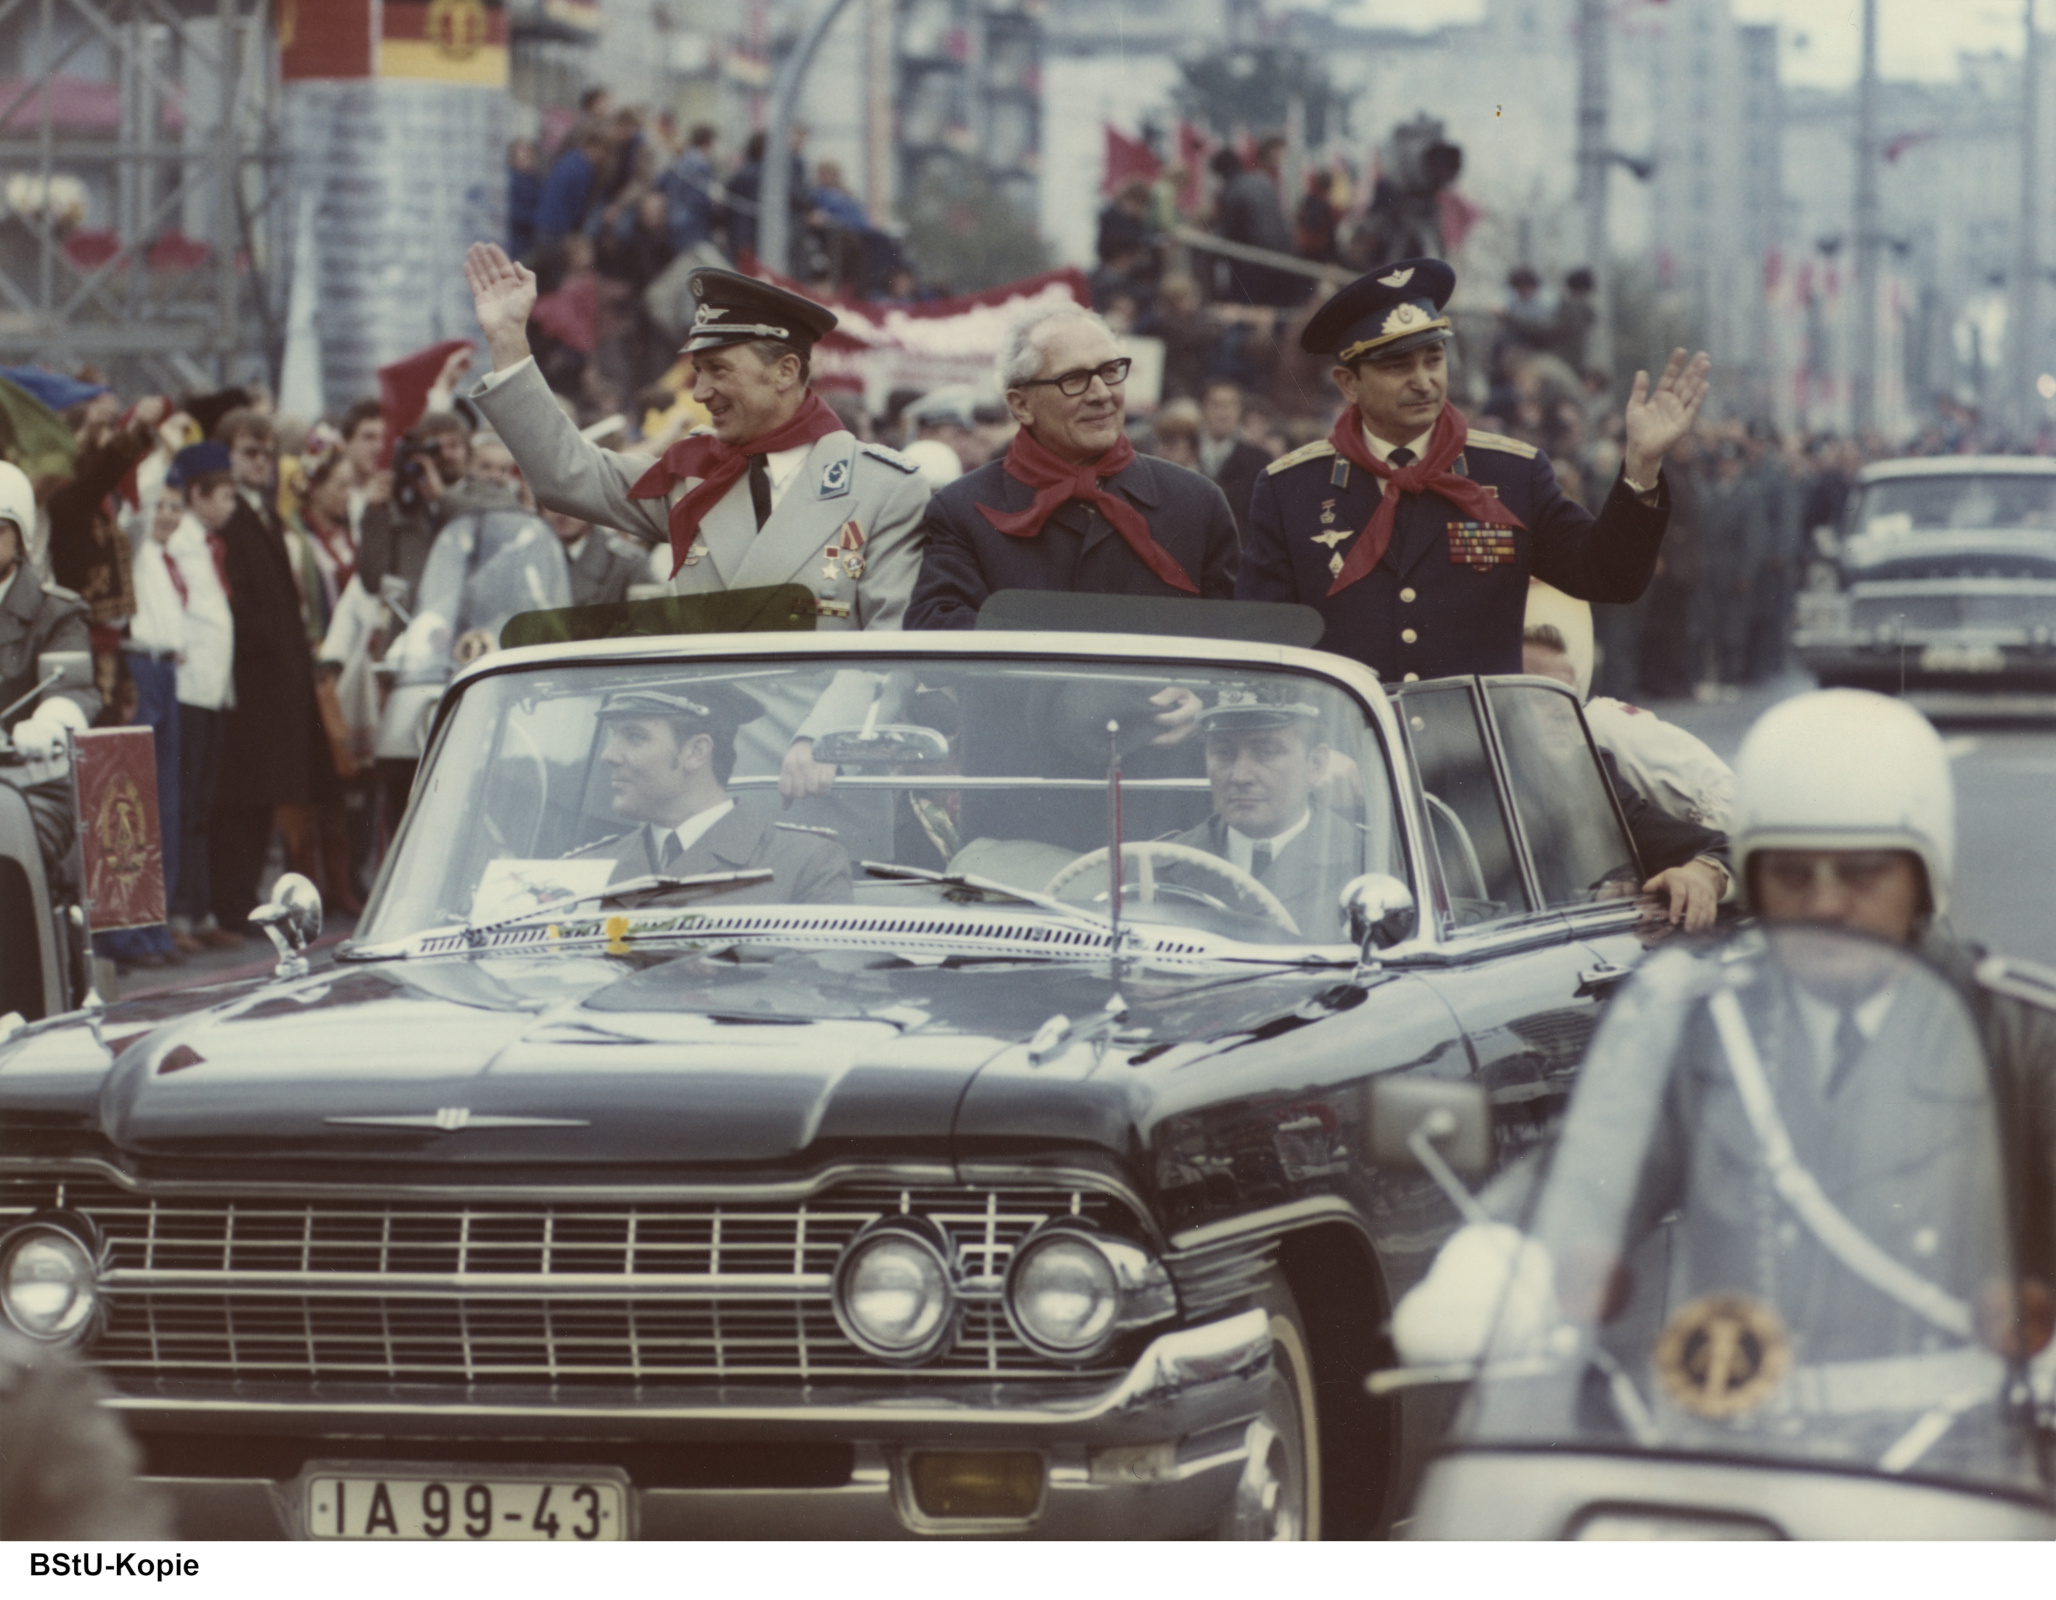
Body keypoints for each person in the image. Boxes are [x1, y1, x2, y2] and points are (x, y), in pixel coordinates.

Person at [1390, 688, 2056, 1369]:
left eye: (1861, 874)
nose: (1823, 902)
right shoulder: (1707, 1034)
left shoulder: (2022, 1038)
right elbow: (1592, 1171)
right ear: (1757, 884)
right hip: (1740, 1445)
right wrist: (1504, 1264)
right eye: (1791, 874)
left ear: (1923, 880)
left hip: (1964, 1450)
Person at [463, 247, 930, 807]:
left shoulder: (884, 487)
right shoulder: (697, 476)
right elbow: (570, 476)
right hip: (692, 793)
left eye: (717, 370)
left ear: (785, 371)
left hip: (811, 784)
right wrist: (510, 340)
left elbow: (891, 644)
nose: (700, 392)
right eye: (698, 371)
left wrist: (820, 740)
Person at [1237, 258, 1709, 685]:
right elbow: (1263, 649)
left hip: (1474, 762)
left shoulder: (1512, 473)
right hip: (1351, 765)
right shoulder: (1290, 489)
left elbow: (1611, 577)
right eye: (1398, 366)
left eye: (1433, 359)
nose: (1423, 381)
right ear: (1348, 383)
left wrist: (1642, 467)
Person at [905, 303, 1240, 630]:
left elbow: (1235, 645)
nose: (1101, 393)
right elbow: (938, 634)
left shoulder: (1198, 503)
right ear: (1021, 405)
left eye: (1110, 372)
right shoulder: (961, 510)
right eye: (1074, 379)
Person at [208, 409, 339, 935]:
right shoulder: (231, 516)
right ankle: (231, 901)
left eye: (267, 454)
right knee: (241, 798)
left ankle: (240, 899)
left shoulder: (261, 511)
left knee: (263, 795)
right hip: (251, 679)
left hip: (276, 679)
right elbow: (237, 600)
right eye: (249, 453)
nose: (261, 463)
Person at [570, 685, 850, 905]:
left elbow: (816, 973)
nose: (608, 755)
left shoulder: (807, 863)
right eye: (614, 735)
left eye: (634, 736)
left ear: (696, 752)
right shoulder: (585, 867)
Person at [1163, 685, 1366, 942]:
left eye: (1267, 752)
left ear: (1315, 765)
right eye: (1223, 752)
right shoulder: (1157, 864)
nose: (1240, 776)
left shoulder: (1366, 863)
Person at [1522, 622, 1736, 831]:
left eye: (1569, 698)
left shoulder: (1599, 725)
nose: (1564, 713)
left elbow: (1724, 800)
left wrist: (1707, 863)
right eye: (1542, 696)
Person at [0, 460, 99, 890]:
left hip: (28, 782)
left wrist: (48, 723)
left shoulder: (54, 612)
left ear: (21, 538)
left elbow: (72, 686)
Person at [159, 444, 237, 953]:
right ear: (197, 494)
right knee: (186, 805)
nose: (232, 504)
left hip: (213, 689)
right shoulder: (180, 542)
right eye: (225, 493)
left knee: (203, 805)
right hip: (189, 690)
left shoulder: (207, 543)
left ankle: (201, 908)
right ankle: (181, 914)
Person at [1198, 379, 1271, 539]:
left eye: (1230, 405)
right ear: (1203, 408)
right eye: (1216, 404)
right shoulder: (1188, 450)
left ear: (1240, 411)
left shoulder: (1258, 459)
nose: (1223, 413)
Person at [546, 506, 643, 606]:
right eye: (551, 503)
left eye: (572, 503)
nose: (562, 513)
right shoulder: (534, 558)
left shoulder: (627, 563)